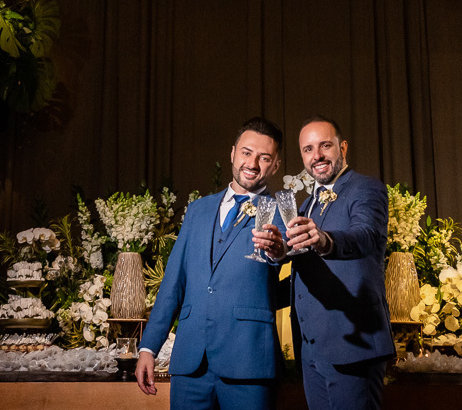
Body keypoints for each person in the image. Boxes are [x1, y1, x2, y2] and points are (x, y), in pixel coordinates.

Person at [136, 117, 288, 410]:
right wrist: (148, 348)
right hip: (191, 363)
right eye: (246, 152)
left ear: (276, 165)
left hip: (249, 362)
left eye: (264, 157)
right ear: (233, 153)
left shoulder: (282, 213)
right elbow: (173, 283)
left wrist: (277, 252)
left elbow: (285, 261)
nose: (252, 163)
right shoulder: (198, 210)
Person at [284, 116, 394, 410]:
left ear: (342, 147)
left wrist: (325, 240)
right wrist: (276, 253)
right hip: (312, 348)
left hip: (353, 345)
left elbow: (366, 235)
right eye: (308, 150)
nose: (316, 156)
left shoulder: (365, 189)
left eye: (325, 146)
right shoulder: (307, 204)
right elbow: (307, 274)